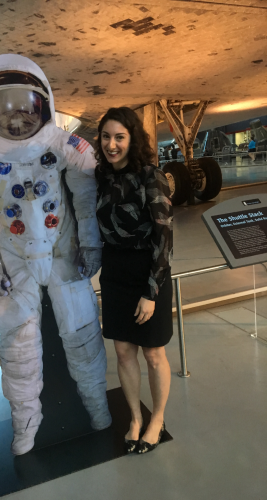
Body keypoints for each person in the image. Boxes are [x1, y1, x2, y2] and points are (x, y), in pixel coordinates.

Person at [0, 54, 111, 455]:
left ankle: (98, 407)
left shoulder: (62, 145)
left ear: (44, 103)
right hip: (14, 260)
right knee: (18, 347)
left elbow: (88, 195)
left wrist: (90, 243)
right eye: (3, 106)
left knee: (82, 334)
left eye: (25, 104)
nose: (16, 116)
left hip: (63, 251)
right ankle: (25, 425)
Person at [95, 107, 173, 455]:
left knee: (153, 353)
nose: (112, 144)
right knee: (124, 352)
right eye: (106, 137)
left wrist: (151, 292)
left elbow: (164, 236)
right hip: (114, 272)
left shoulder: (149, 176)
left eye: (119, 137)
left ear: (132, 139)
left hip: (148, 273)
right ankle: (135, 418)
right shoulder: (100, 176)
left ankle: (156, 418)